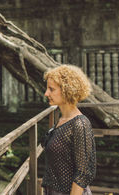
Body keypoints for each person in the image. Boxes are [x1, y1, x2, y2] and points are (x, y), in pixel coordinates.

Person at [41, 64, 96, 195]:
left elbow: (83, 173)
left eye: (51, 89)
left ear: (67, 90)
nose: (46, 93)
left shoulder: (80, 124)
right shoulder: (61, 120)